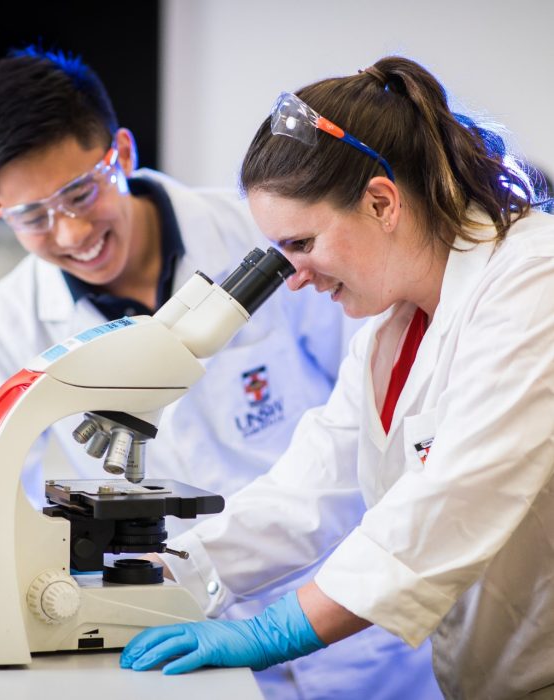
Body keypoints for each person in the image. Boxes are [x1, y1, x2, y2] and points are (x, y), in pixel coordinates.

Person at [0, 48, 439, 699]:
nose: (71, 231)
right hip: (171, 634)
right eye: (33, 217)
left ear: (121, 153)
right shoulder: (9, 319)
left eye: (81, 191)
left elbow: (367, 430)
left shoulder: (282, 239)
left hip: (356, 630)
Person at [120, 56, 554, 700]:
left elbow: (453, 500)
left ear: (381, 201)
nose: (294, 277)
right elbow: (311, 487)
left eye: (301, 244)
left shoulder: (533, 283)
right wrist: (164, 574)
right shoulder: (393, 325)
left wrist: (275, 630)